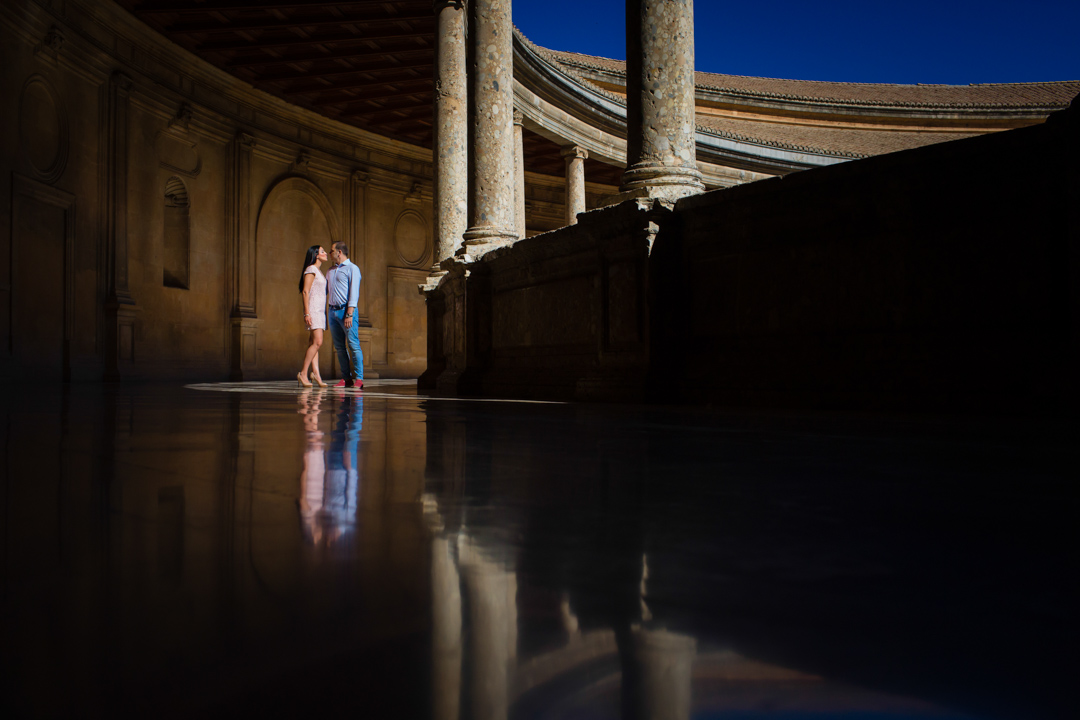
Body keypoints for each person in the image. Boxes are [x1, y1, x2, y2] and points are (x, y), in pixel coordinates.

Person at [326, 241, 364, 389]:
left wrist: (349, 313)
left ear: (339, 252)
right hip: (332, 312)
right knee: (339, 347)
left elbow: (354, 291)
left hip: (346, 312)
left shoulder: (352, 268)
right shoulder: (330, 270)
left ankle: (359, 379)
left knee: (353, 345)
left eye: (332, 251)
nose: (330, 254)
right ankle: (346, 378)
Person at [297, 245, 328, 388]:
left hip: (320, 311)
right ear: (316, 254)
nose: (326, 253)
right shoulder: (310, 270)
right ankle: (303, 373)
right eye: (322, 251)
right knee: (318, 342)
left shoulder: (319, 272)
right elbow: (305, 291)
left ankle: (316, 374)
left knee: (314, 344)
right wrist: (307, 313)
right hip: (313, 310)